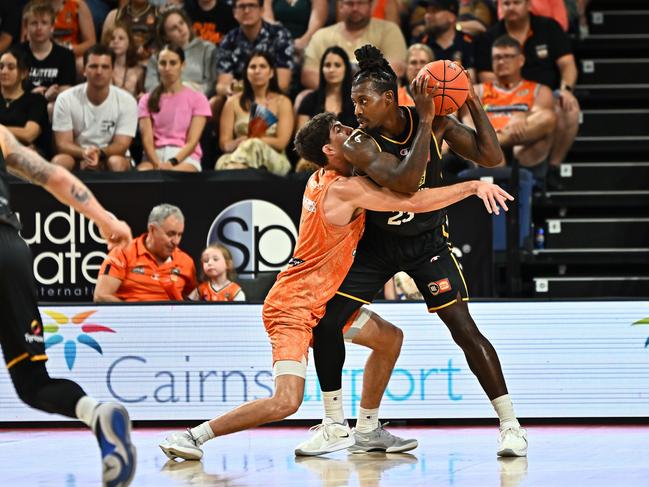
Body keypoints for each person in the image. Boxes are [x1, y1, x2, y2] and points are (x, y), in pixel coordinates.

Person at [157, 106, 513, 461]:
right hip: (293, 307)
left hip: (321, 299)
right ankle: (195, 436)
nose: (351, 131)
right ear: (329, 151)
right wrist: (470, 186)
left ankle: (367, 429)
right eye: (341, 130)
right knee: (286, 401)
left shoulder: (324, 178)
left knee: (389, 340)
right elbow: (414, 200)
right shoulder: (344, 188)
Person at [299, 45, 528, 458]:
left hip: (428, 245)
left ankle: (511, 426)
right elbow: (405, 184)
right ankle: (336, 425)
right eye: (353, 102)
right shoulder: (358, 142)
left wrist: (470, 98)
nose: (356, 110)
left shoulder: (436, 121)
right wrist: (426, 121)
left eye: (363, 100)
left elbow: (491, 156)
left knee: (463, 328)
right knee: (326, 322)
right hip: (378, 246)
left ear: (389, 98)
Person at [0, 125, 135, 486]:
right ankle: (97, 414)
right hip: (9, 251)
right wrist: (106, 219)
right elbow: (53, 175)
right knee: (32, 383)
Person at [474, 0, 580, 188]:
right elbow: (492, 80)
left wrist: (566, 90)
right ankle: (494, 146)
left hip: (541, 99)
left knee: (565, 109)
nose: (511, 7)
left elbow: (568, 65)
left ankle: (552, 168)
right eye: (506, 3)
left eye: (516, 2)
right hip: (500, 103)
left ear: (529, 5)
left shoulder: (549, 28)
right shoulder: (489, 37)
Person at [464, 35, 556, 181]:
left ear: (521, 60)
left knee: (548, 117)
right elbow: (467, 120)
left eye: (508, 56)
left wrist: (523, 115)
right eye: (497, 57)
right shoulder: (477, 90)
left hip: (523, 149)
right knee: (485, 145)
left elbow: (544, 118)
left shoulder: (539, 90)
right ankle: (492, 143)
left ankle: (494, 141)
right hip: (487, 154)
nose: (501, 61)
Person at [52, 45, 138, 172]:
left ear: (112, 70)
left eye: (105, 67)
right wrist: (85, 153)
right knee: (59, 161)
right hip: (77, 155)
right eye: (93, 66)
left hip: (108, 156)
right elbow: (62, 144)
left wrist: (100, 154)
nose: (99, 71)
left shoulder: (127, 101)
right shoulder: (65, 98)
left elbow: (121, 145)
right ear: (84, 70)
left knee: (116, 162)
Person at [94, 203, 197, 302]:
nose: (176, 241)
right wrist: (139, 316)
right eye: (170, 234)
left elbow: (193, 300)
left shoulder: (186, 262)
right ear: (152, 229)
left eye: (180, 235)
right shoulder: (122, 253)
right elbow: (101, 296)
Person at [215, 50, 293, 175]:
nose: (257, 71)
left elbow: (281, 142)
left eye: (262, 66)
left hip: (274, 158)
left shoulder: (283, 102)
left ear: (271, 72)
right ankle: (238, 167)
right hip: (237, 153)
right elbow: (225, 143)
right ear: (246, 72)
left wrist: (251, 140)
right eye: (252, 67)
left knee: (254, 144)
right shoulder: (232, 102)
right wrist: (236, 143)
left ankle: (235, 170)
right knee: (223, 161)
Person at [301, 0, 407, 90]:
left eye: (360, 3)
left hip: (375, 95)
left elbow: (396, 68)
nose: (355, 8)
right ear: (340, 6)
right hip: (331, 97)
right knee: (304, 96)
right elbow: (308, 74)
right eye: (350, 3)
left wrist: (358, 90)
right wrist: (342, 93)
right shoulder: (322, 35)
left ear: (370, 5)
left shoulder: (389, 30)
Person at [138, 44, 212, 172]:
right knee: (143, 174)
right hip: (154, 156)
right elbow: (147, 141)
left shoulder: (198, 99)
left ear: (182, 65)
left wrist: (171, 163)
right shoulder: (146, 100)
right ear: (157, 66)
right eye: (163, 63)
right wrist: (157, 164)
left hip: (185, 156)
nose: (167, 68)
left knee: (174, 174)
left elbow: (192, 141)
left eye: (173, 63)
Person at [214, 0, 296, 97]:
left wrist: (241, 86)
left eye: (252, 5)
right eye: (242, 6)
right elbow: (222, 85)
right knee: (216, 101)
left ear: (261, 10)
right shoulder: (228, 40)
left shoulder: (280, 36)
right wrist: (231, 89)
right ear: (234, 12)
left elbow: (282, 84)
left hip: (273, 96)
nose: (247, 10)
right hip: (238, 97)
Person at [19, 1, 76, 113]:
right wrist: (41, 95)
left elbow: (67, 90)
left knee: (53, 107)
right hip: (21, 106)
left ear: (52, 27)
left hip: (53, 105)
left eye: (44, 23)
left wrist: (47, 95)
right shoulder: (15, 53)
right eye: (34, 23)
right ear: (26, 27)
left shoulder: (66, 55)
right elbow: (9, 89)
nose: (39, 28)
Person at [144, 9, 217, 97]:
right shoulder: (157, 57)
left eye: (181, 23)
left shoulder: (207, 48)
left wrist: (187, 93)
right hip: (166, 102)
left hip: (197, 101)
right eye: (174, 28)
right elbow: (151, 87)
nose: (181, 29)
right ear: (166, 37)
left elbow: (210, 84)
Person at [0, 46, 51, 157]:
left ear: (23, 73)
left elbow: (29, 134)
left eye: (11, 67)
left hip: (25, 155)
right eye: (1, 67)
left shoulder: (36, 100)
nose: (3, 71)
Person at [296, 46, 356, 131]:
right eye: (327, 65)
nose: (331, 70)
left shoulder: (356, 101)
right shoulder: (310, 100)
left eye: (337, 65)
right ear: (322, 69)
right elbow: (300, 139)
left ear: (346, 69)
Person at [414, 0, 476, 81]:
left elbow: (473, 80)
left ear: (451, 16)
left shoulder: (469, 42)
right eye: (427, 11)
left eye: (434, 11)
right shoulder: (420, 42)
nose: (427, 16)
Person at [101, 0, 159, 66]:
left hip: (151, 66)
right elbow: (104, 50)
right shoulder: (114, 16)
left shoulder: (160, 15)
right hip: (119, 65)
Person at [262, 0, 327, 56]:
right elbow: (267, 17)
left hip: (307, 44)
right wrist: (282, 42)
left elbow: (318, 21)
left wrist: (303, 41)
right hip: (277, 42)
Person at [51, 0, 97, 73]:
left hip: (72, 53)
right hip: (42, 52)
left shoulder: (77, 5)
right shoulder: (36, 6)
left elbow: (91, 42)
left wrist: (69, 50)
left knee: (81, 64)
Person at [102, 23, 145, 98]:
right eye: (112, 38)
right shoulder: (101, 68)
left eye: (121, 38)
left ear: (129, 43)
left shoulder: (139, 71)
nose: (116, 41)